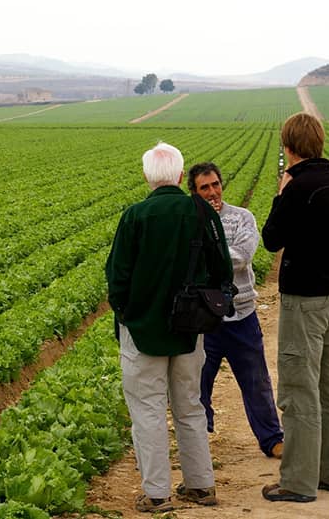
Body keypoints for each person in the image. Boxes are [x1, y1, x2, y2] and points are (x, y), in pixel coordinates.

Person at [105, 142, 234, 513]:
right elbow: (223, 269)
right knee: (190, 406)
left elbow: (117, 277)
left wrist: (128, 312)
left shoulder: (135, 216)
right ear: (181, 176)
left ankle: (157, 493)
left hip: (142, 329)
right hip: (190, 329)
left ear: (148, 177)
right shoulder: (202, 212)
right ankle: (200, 485)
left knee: (147, 410)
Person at [260, 112, 329, 502]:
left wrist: (280, 194)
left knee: (300, 389)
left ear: (288, 146)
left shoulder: (299, 189)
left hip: (304, 301)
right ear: (319, 142)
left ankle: (298, 482)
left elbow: (271, 239)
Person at [187, 161, 284, 459]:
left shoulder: (242, 218)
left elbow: (241, 258)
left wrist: (207, 246)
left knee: (256, 381)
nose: (213, 191)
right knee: (197, 384)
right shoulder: (188, 221)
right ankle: (199, 440)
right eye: (205, 187)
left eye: (215, 184)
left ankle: (272, 439)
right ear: (194, 192)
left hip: (241, 313)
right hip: (204, 319)